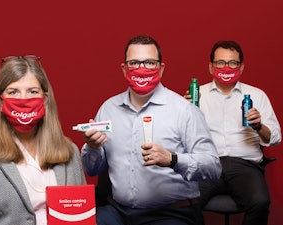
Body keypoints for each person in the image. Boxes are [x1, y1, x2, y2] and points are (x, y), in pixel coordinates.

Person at [81, 35, 222, 225]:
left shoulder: (184, 110)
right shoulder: (108, 109)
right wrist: (93, 147)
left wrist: (172, 159)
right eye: (134, 63)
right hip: (119, 212)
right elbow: (91, 169)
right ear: (124, 69)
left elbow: (213, 167)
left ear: (161, 68)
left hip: (171, 213)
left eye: (149, 62)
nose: (142, 69)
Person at [0, 55, 86, 225]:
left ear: (45, 99)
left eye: (33, 91)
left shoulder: (70, 151)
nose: (24, 99)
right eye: (13, 92)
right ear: (0, 101)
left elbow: (83, 215)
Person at [184, 40, 281, 225]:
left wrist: (259, 126)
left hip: (245, 166)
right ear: (211, 67)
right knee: (186, 202)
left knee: (260, 201)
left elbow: (275, 138)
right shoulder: (197, 95)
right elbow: (180, 138)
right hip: (208, 164)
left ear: (241, 67)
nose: (226, 67)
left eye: (232, 63)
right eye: (220, 62)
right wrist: (184, 112)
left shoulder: (257, 95)